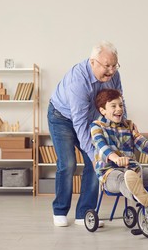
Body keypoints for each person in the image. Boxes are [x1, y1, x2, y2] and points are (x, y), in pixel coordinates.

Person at [48, 41, 125, 227]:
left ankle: (84, 214)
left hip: (90, 119)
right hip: (62, 118)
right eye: (107, 66)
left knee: (97, 162)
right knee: (68, 163)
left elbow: (119, 104)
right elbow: (79, 123)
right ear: (93, 62)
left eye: (115, 65)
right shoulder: (78, 80)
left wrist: (124, 128)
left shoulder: (114, 76)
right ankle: (59, 210)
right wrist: (93, 155)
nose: (112, 70)